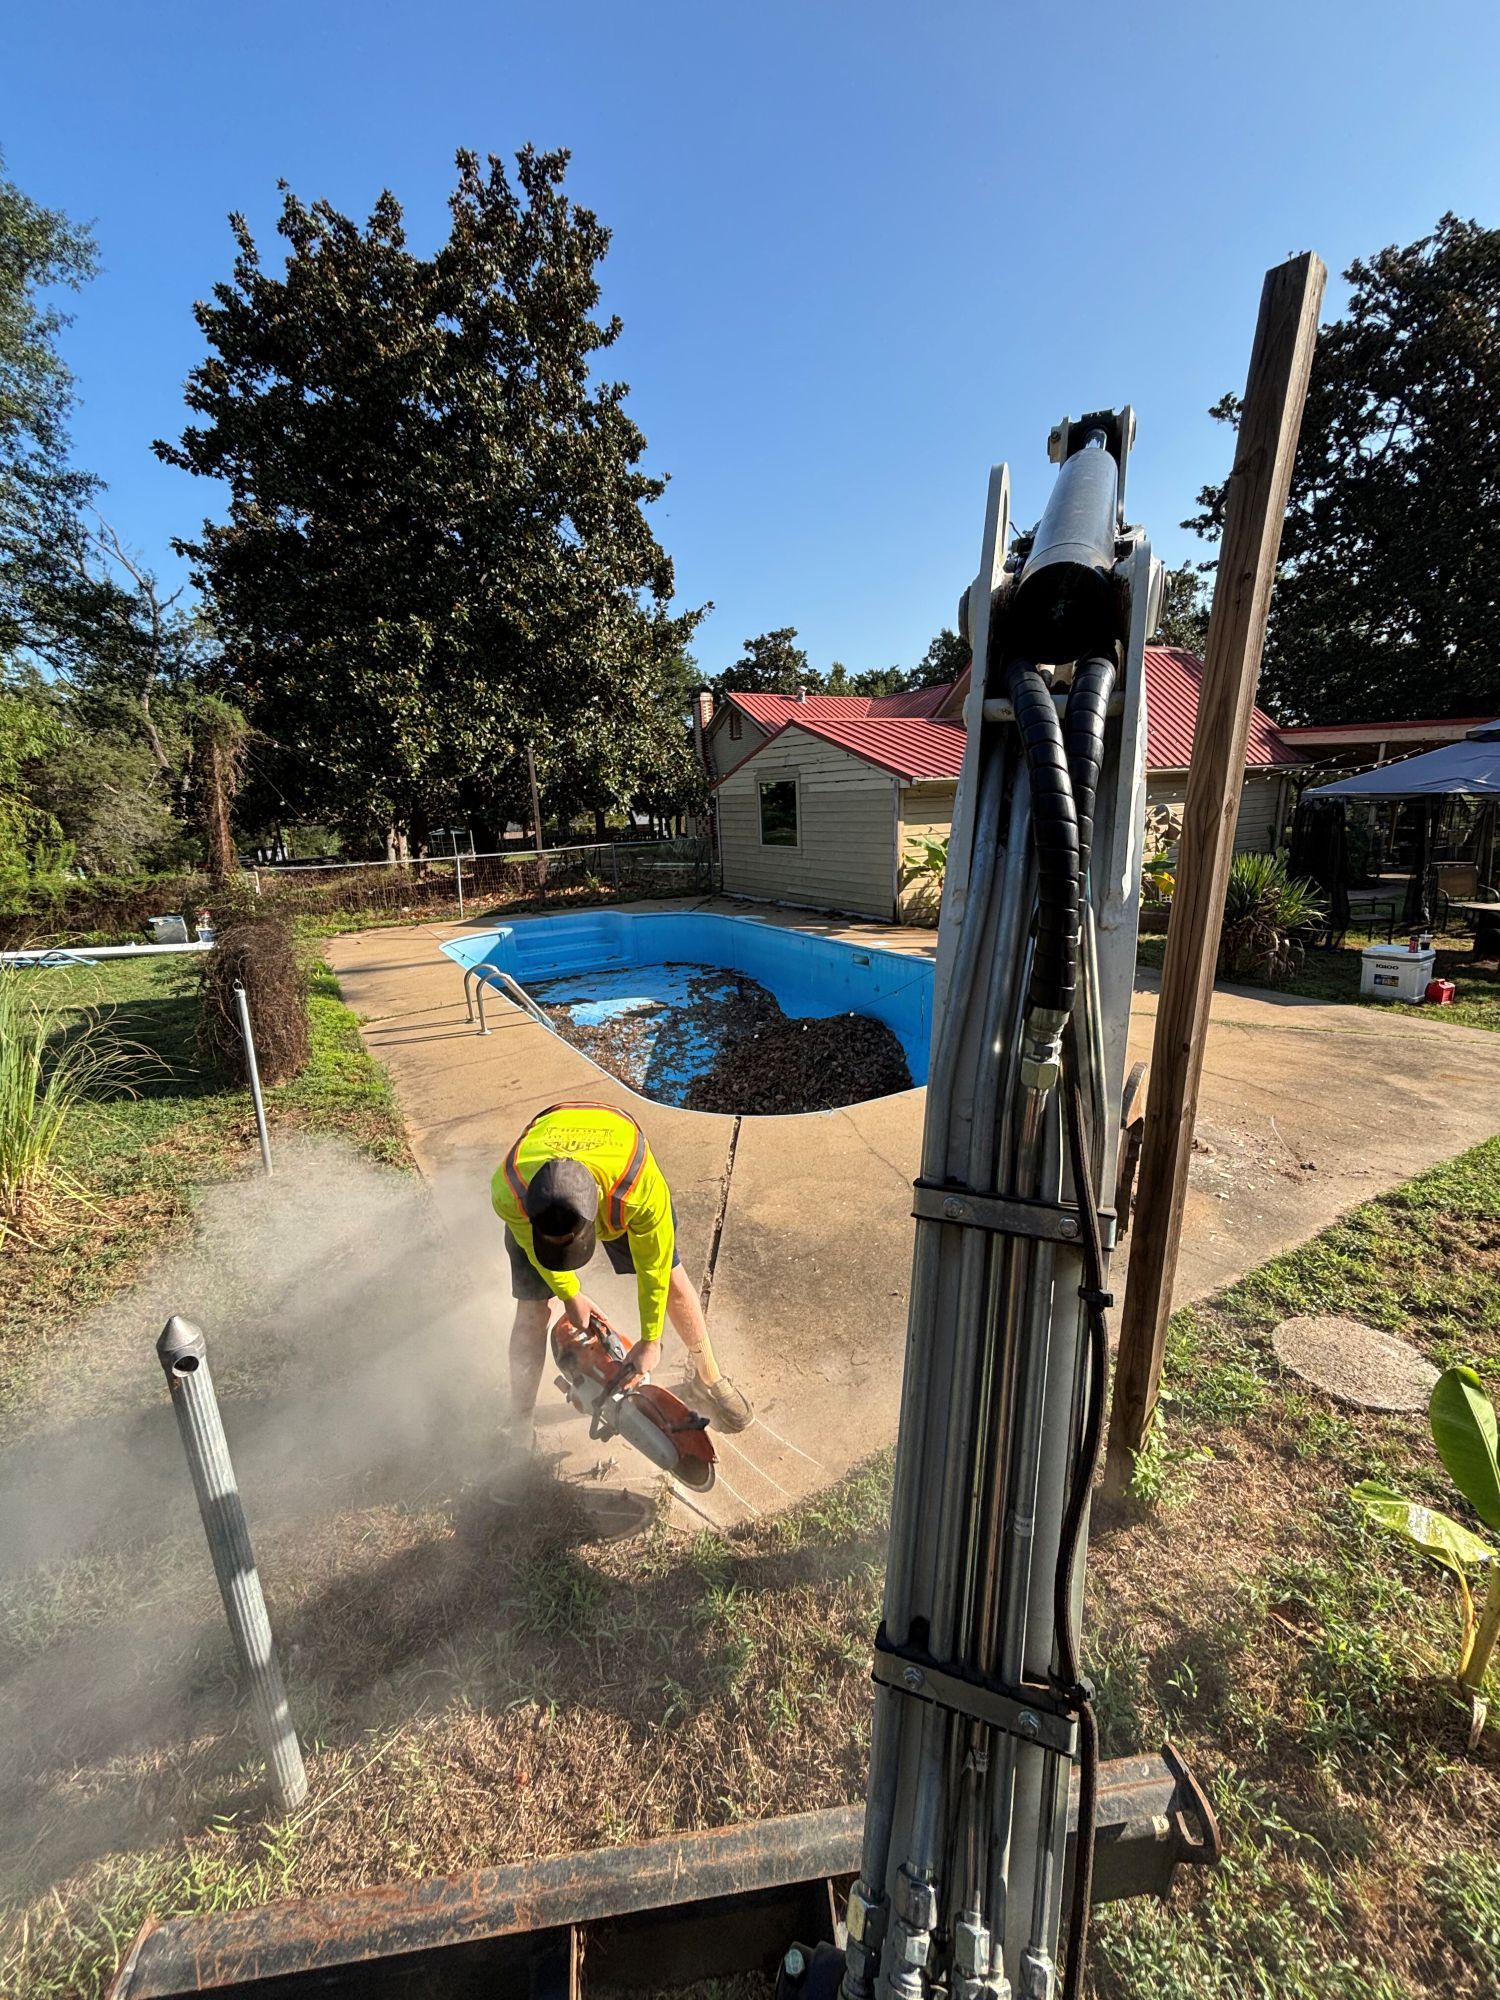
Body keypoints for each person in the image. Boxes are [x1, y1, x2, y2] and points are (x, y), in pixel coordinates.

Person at [493, 1100, 753, 1445]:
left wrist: (650, 1340)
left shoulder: (638, 1192)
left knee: (674, 1279)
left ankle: (709, 1377)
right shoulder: (510, 1191)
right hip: (550, 1151)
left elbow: (655, 1270)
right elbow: (530, 1246)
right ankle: (521, 1422)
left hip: (617, 1152)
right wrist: (570, 1294)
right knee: (532, 1310)